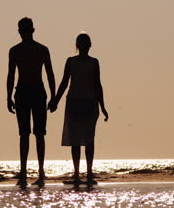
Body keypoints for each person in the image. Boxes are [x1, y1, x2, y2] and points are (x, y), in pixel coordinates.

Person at [50, 33, 108, 186]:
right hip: (74, 103)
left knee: (89, 139)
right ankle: (77, 174)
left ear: (89, 45)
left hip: (89, 103)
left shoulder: (94, 62)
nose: (84, 47)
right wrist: (55, 100)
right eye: (82, 44)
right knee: (75, 140)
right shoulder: (71, 61)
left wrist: (103, 106)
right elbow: (64, 83)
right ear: (78, 46)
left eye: (86, 44)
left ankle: (88, 173)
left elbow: (98, 85)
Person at [7, 17, 56, 187]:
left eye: (27, 30)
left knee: (39, 133)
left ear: (32, 31)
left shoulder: (42, 50)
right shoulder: (15, 51)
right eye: (23, 31)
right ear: (19, 32)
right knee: (25, 133)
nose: (25, 34)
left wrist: (54, 96)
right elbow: (11, 75)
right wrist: (8, 96)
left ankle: (40, 172)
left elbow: (50, 73)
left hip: (36, 92)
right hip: (23, 92)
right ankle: (23, 172)